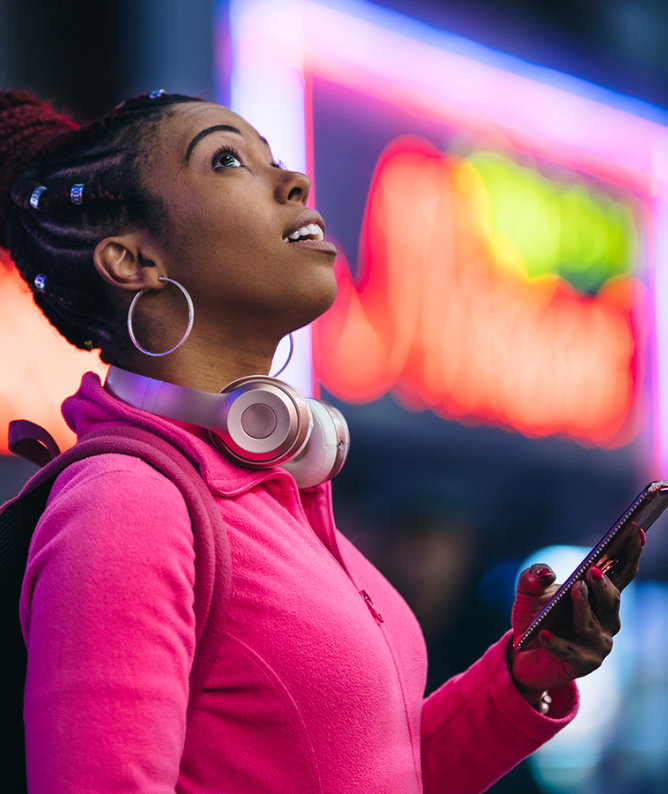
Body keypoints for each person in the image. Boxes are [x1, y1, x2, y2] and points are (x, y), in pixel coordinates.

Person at [0, 89, 643, 794]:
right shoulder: (129, 504)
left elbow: (373, 775)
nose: (294, 181)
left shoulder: (271, 489)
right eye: (226, 160)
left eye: (272, 159)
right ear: (133, 262)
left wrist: (520, 676)